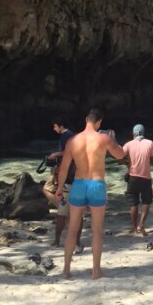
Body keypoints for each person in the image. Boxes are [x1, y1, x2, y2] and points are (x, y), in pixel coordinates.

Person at [56, 108, 125, 279]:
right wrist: (113, 139)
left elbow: (63, 168)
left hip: (78, 184)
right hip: (96, 184)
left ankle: (66, 270)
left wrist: (59, 188)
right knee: (96, 230)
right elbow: (121, 154)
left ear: (86, 119)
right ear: (99, 122)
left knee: (72, 229)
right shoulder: (104, 138)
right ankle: (96, 271)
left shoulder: (72, 140)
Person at [41, 118, 81, 250]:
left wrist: (55, 155)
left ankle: (57, 240)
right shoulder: (73, 135)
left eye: (55, 126)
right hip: (77, 178)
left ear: (60, 126)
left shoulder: (66, 136)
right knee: (76, 213)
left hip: (68, 179)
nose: (54, 129)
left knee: (61, 213)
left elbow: (70, 152)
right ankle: (77, 242)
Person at [121, 124, 153, 237]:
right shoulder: (149, 143)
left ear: (133, 134)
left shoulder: (128, 144)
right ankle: (141, 224)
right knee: (146, 201)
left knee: (133, 203)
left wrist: (127, 164)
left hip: (132, 177)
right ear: (143, 133)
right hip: (145, 178)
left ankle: (134, 228)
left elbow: (119, 157)